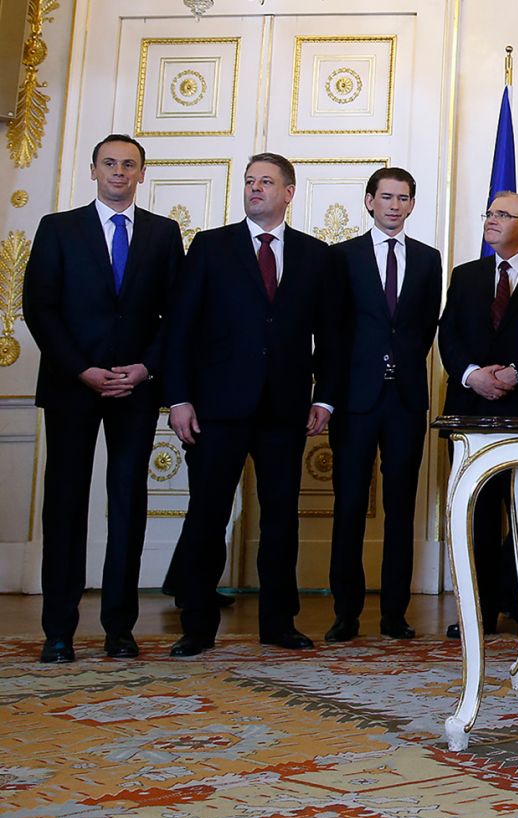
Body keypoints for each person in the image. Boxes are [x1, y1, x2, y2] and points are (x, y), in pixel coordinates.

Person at [161, 152, 345, 657]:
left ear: (288, 192)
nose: (255, 188)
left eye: (266, 181)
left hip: (284, 409)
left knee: (280, 518)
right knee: (207, 515)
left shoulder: (315, 255)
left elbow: (330, 336)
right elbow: (180, 328)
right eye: (249, 181)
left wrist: (324, 398)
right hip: (216, 407)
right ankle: (196, 626)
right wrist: (178, 398)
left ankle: (278, 623)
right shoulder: (210, 246)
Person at [23, 134, 184, 663]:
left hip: (136, 389)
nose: (119, 172)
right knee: (64, 505)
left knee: (129, 506)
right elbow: (40, 308)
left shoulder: (163, 234)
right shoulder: (58, 228)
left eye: (129, 165)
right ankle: (59, 631)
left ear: (142, 174)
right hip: (74, 387)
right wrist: (82, 370)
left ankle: (120, 628)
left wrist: (147, 367)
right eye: (110, 164)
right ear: (93, 170)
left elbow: (175, 315)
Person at [325, 167, 441, 643]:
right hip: (355, 400)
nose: (394, 205)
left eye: (404, 198)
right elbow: (331, 333)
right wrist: (328, 397)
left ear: (412, 205)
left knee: (400, 509)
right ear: (369, 201)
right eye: (386, 197)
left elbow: (426, 327)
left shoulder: (429, 259)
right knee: (349, 507)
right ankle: (345, 613)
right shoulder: (342, 257)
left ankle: (395, 613)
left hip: (407, 400)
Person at [437, 191, 518, 640]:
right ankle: (477, 611)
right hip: (470, 409)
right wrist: (471, 375)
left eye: (503, 215)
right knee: (475, 512)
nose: (492, 220)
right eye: (490, 213)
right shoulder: (466, 275)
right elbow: (449, 334)